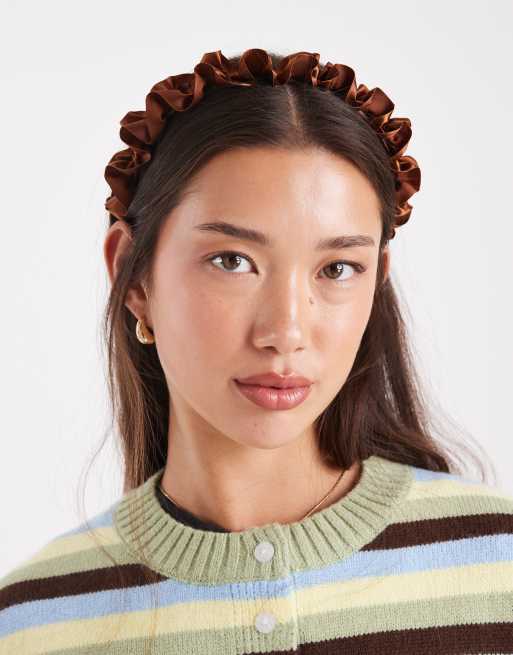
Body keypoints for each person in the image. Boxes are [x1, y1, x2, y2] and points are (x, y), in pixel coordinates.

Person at [1, 48, 512, 654]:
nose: (286, 330)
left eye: (338, 268)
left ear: (376, 279)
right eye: (232, 261)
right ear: (133, 278)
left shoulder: (497, 569)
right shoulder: (30, 625)